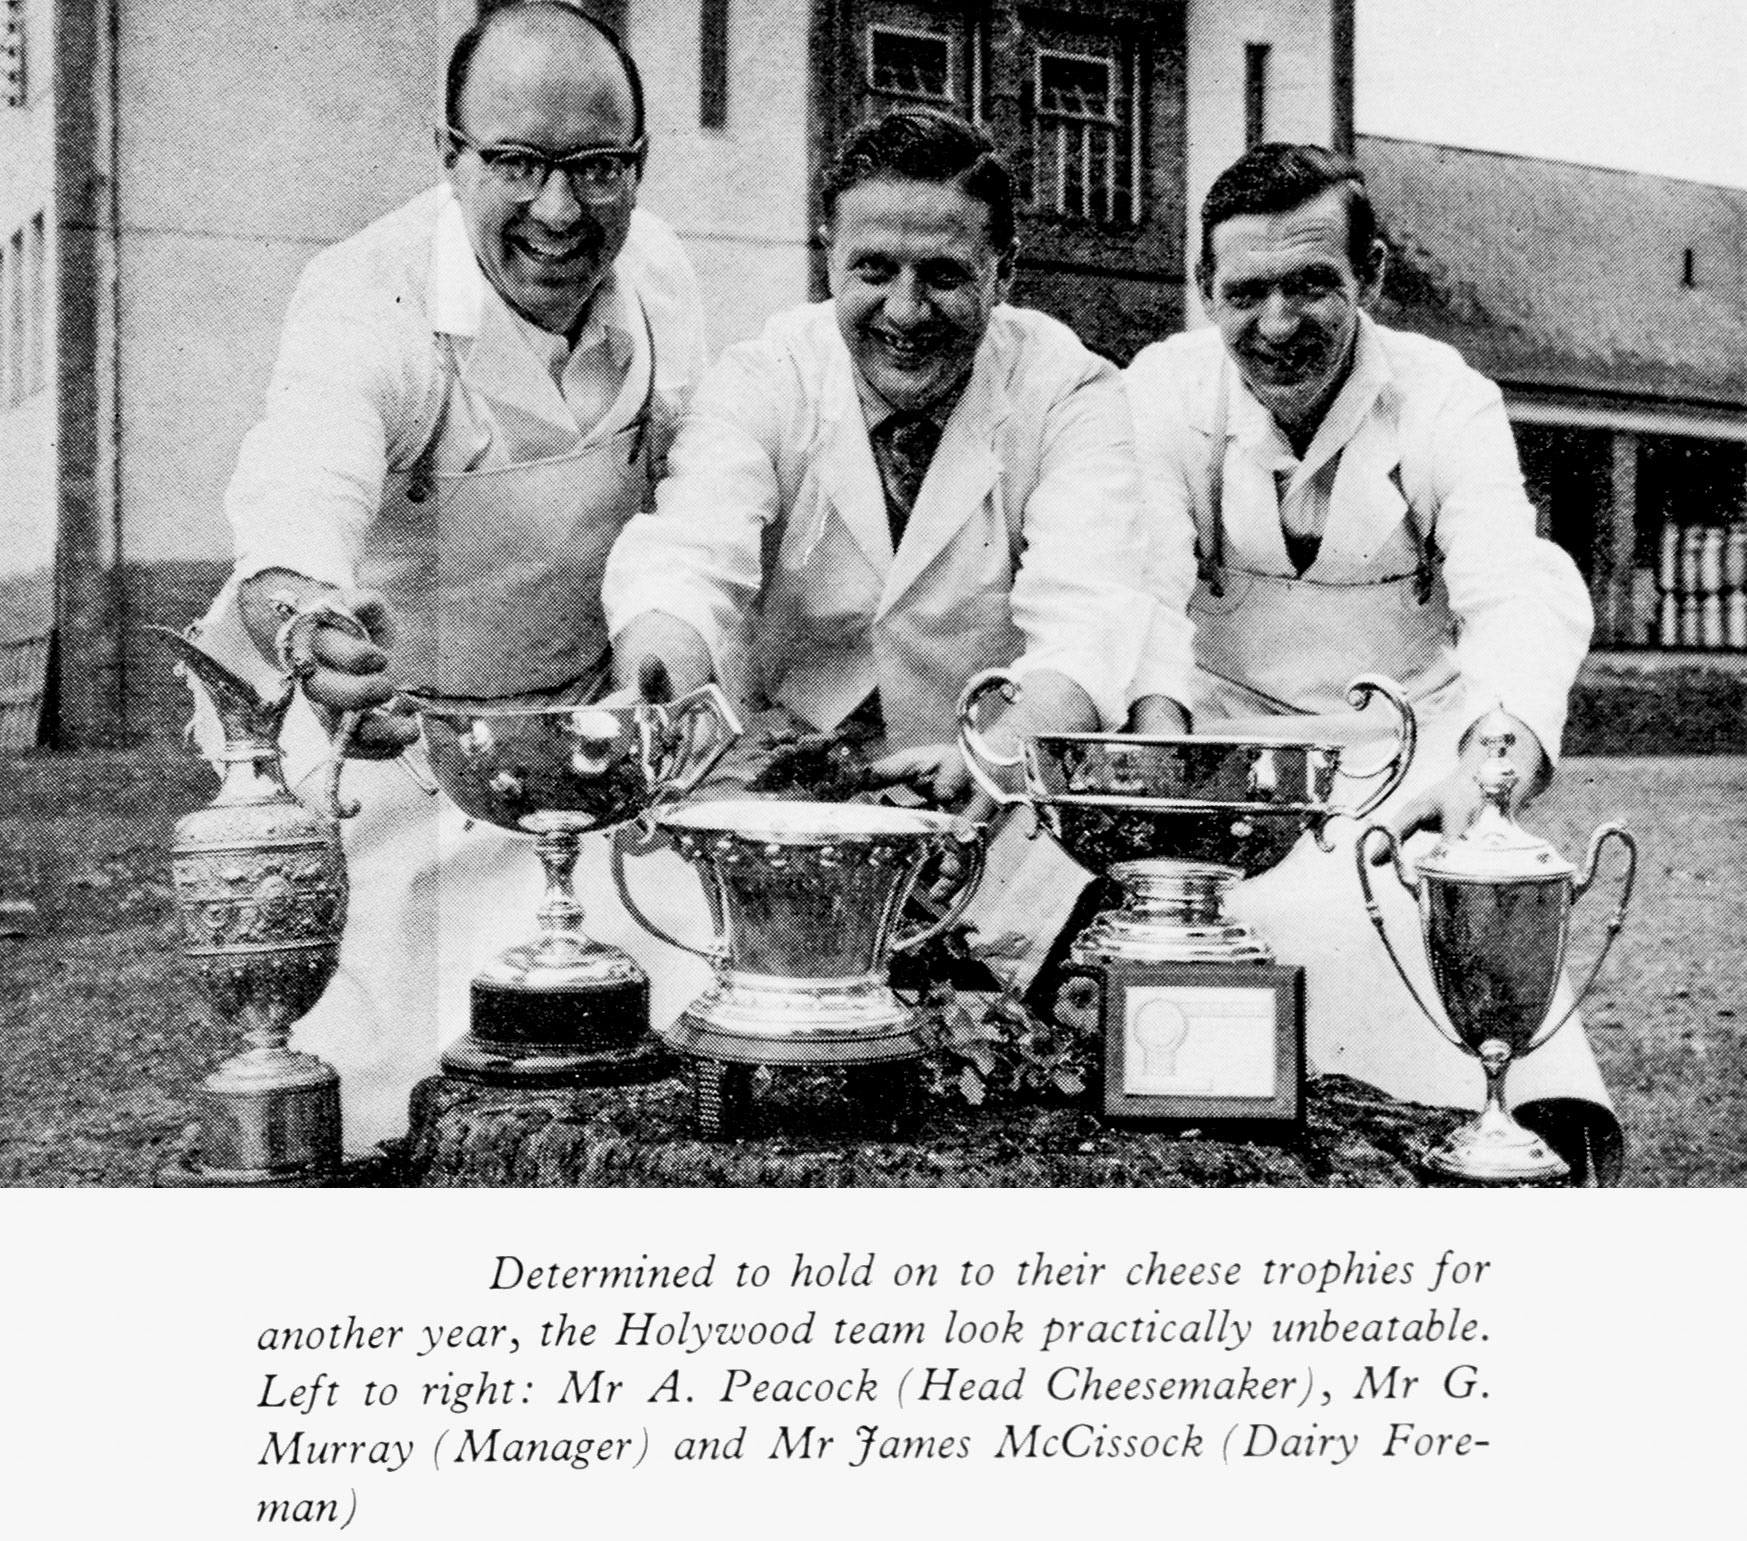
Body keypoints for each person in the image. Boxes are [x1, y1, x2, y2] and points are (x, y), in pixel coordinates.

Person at [194, 1, 708, 1149]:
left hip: (573, 747)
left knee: (659, 1056)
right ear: (450, 158)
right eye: (517, 165)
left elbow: (690, 497)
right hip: (386, 756)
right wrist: (308, 621)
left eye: (595, 169)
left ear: (638, 164)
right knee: (388, 1101)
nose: (559, 210)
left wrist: (673, 636)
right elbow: (298, 482)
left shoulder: (663, 274)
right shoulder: (366, 290)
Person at [1124, 142, 1619, 1178]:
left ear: (1375, 277)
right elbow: (1143, 589)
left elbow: (1515, 585)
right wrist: (1161, 768)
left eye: (1313, 284)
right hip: (1226, 749)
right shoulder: (1162, 389)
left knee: (1404, 907)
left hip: (1410, 748)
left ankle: (1497, 1152)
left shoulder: (1445, 395)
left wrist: (1485, 769)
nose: (1276, 324)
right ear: (1201, 289)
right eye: (1245, 291)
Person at [603, 107, 1192, 818]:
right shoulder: (766, 374)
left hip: (989, 771)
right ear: (830, 259)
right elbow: (689, 554)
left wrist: (997, 758)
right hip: (779, 770)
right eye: (873, 270)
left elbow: (1087, 616)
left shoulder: (1068, 389)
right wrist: (655, 684)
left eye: (943, 276)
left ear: (1004, 271)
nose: (905, 313)